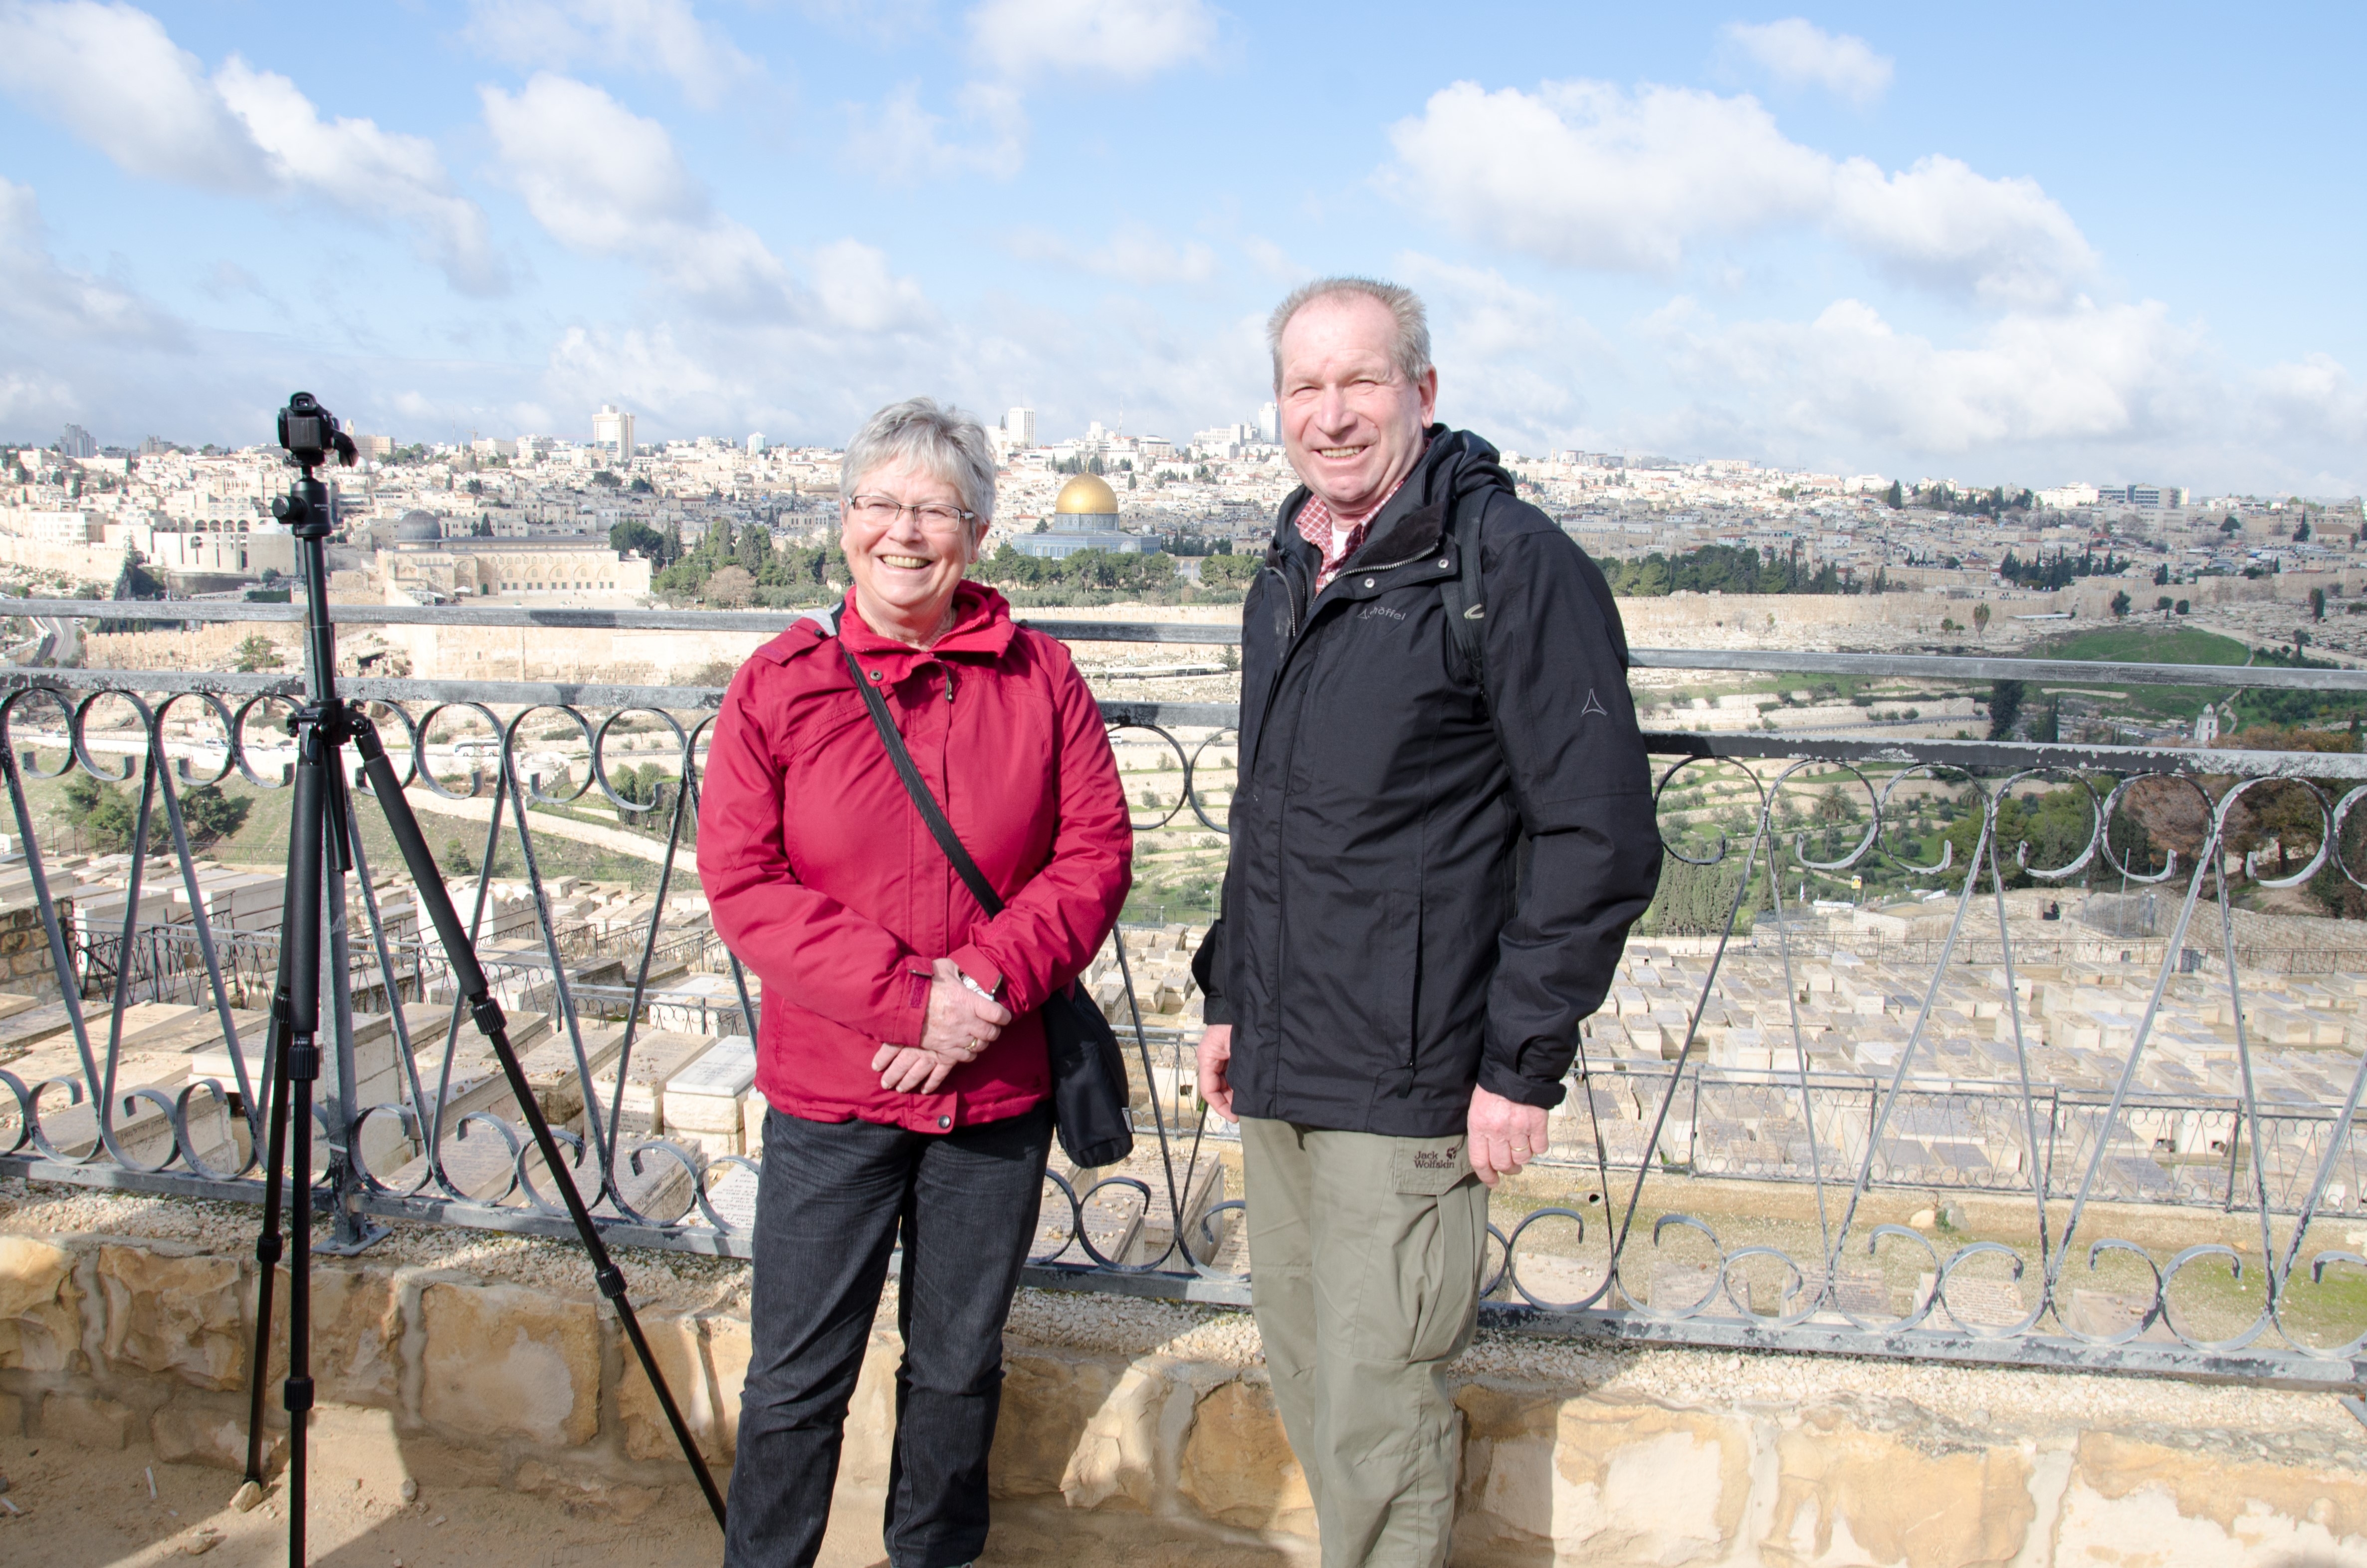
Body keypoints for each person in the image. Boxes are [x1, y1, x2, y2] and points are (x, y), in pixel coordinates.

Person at [1191, 279, 1661, 1567]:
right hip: (1291, 1046)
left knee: (1382, 1395)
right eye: (1304, 386)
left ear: (1423, 394)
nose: (1330, 415)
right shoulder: (1290, 562)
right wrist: (1230, 990)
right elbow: (1269, 809)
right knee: (1309, 1365)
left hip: (1410, 1066)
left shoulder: (1508, 565)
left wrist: (1520, 1064)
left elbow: (1596, 832)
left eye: (1360, 382)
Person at [701, 397, 1131, 1568]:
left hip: (991, 1096)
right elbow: (743, 882)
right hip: (836, 1095)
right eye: (882, 505)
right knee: (796, 1379)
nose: (906, 532)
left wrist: (975, 993)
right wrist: (910, 1005)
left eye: (934, 510)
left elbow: (1094, 855)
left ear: (979, 533)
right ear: (845, 524)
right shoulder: (780, 683)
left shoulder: (1041, 676)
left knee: (955, 1373)